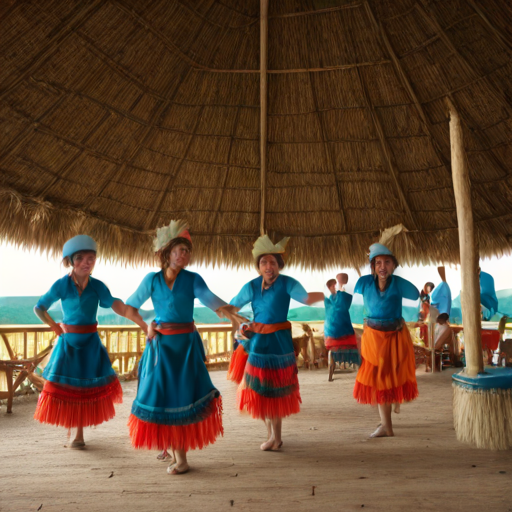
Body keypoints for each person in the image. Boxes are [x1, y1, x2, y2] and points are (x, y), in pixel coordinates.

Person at [124, 220, 239, 475]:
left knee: (181, 397)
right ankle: (176, 454)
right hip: (162, 348)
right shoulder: (152, 280)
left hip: (185, 348)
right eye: (179, 249)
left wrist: (232, 313)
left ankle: (182, 459)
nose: (184, 254)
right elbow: (130, 309)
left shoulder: (192, 279)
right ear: (167, 252)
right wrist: (147, 326)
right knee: (163, 398)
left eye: (187, 250)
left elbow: (212, 301)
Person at [33, 235, 138, 449]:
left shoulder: (98, 286)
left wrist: (131, 311)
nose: (86, 262)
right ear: (71, 261)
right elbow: (39, 307)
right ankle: (73, 431)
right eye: (80, 258)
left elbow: (113, 303)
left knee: (84, 390)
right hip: (68, 344)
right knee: (67, 389)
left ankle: (79, 435)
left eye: (91, 258)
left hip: (90, 344)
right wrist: (55, 327)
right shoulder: (61, 285)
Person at [228, 235, 323, 451]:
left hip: (279, 343)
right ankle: (270, 435)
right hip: (259, 343)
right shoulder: (251, 286)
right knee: (261, 389)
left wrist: (327, 296)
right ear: (259, 266)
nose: (268, 266)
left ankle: (276, 437)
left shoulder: (288, 283)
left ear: (279, 264)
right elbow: (232, 307)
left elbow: (306, 298)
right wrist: (240, 323)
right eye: (264, 262)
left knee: (276, 390)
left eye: (272, 262)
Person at [353, 242, 419, 438]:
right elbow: (354, 306)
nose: (382, 267)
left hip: (395, 338)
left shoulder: (398, 284)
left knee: (386, 379)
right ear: (372, 265)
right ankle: (386, 422)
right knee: (379, 379)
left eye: (387, 262)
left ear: (393, 265)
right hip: (373, 338)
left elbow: (416, 295)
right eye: (378, 262)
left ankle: (386, 424)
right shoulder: (363, 283)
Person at [324, 273, 359, 381]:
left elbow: (338, 308)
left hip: (334, 330)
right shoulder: (340, 295)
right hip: (340, 329)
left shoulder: (339, 295)